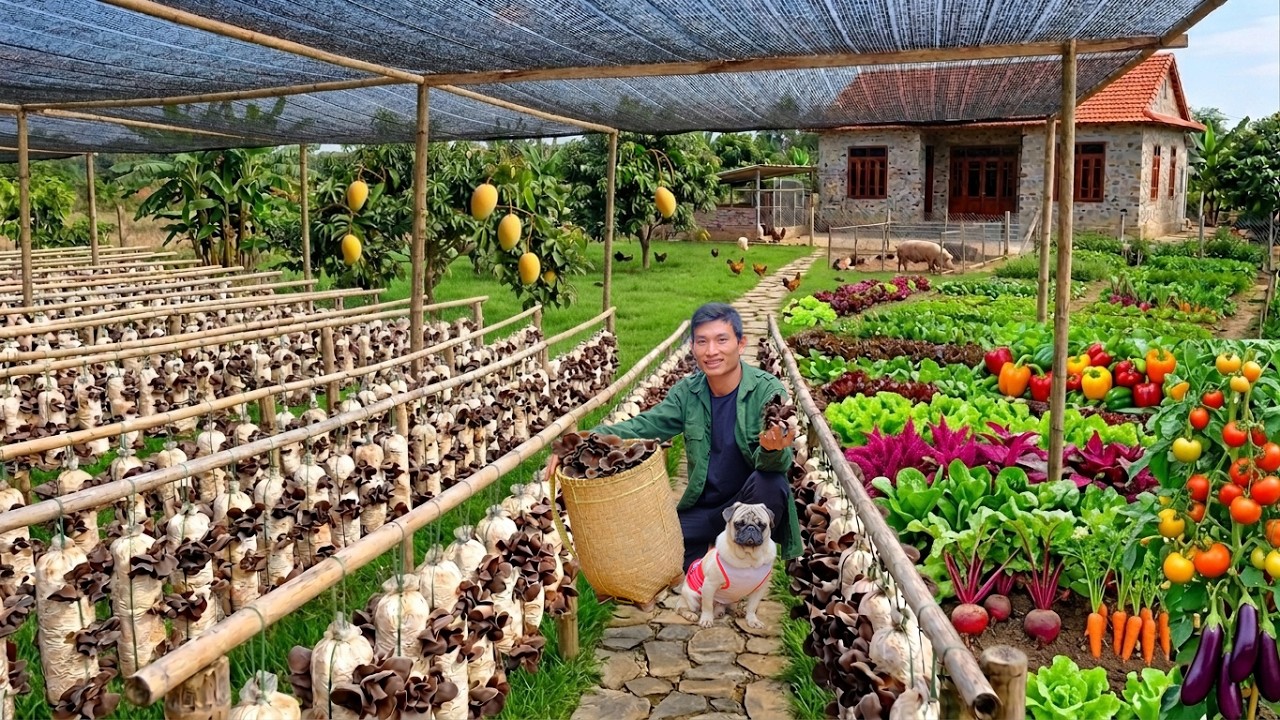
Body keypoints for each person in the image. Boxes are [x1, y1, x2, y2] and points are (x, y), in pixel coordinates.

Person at [545, 302, 802, 574]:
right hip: (705, 509)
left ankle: (736, 559)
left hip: (745, 507)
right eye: (702, 341)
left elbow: (779, 465)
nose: (711, 351)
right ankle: (712, 555)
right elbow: (645, 425)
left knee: (771, 483)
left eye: (721, 340)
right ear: (693, 348)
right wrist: (578, 442)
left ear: (741, 344)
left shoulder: (766, 391)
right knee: (650, 559)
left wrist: (773, 450)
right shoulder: (688, 393)